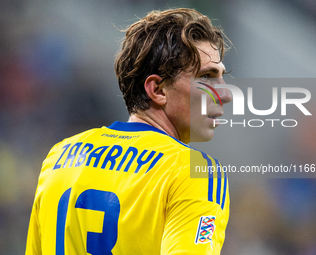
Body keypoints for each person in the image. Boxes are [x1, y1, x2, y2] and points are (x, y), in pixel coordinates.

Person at [26, 8, 232, 255]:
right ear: (157, 90)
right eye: (207, 77)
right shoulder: (194, 170)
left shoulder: (59, 156)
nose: (226, 94)